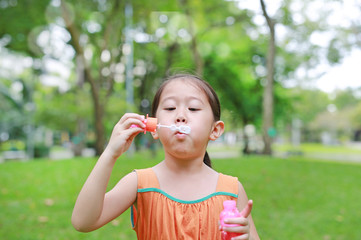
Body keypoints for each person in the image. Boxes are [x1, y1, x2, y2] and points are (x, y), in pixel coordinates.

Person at [71, 74, 260, 240]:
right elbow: (83, 221)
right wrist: (110, 154)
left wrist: (247, 236)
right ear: (154, 128)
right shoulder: (140, 183)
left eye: (193, 109)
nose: (180, 116)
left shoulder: (232, 190)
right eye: (170, 108)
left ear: (215, 130)